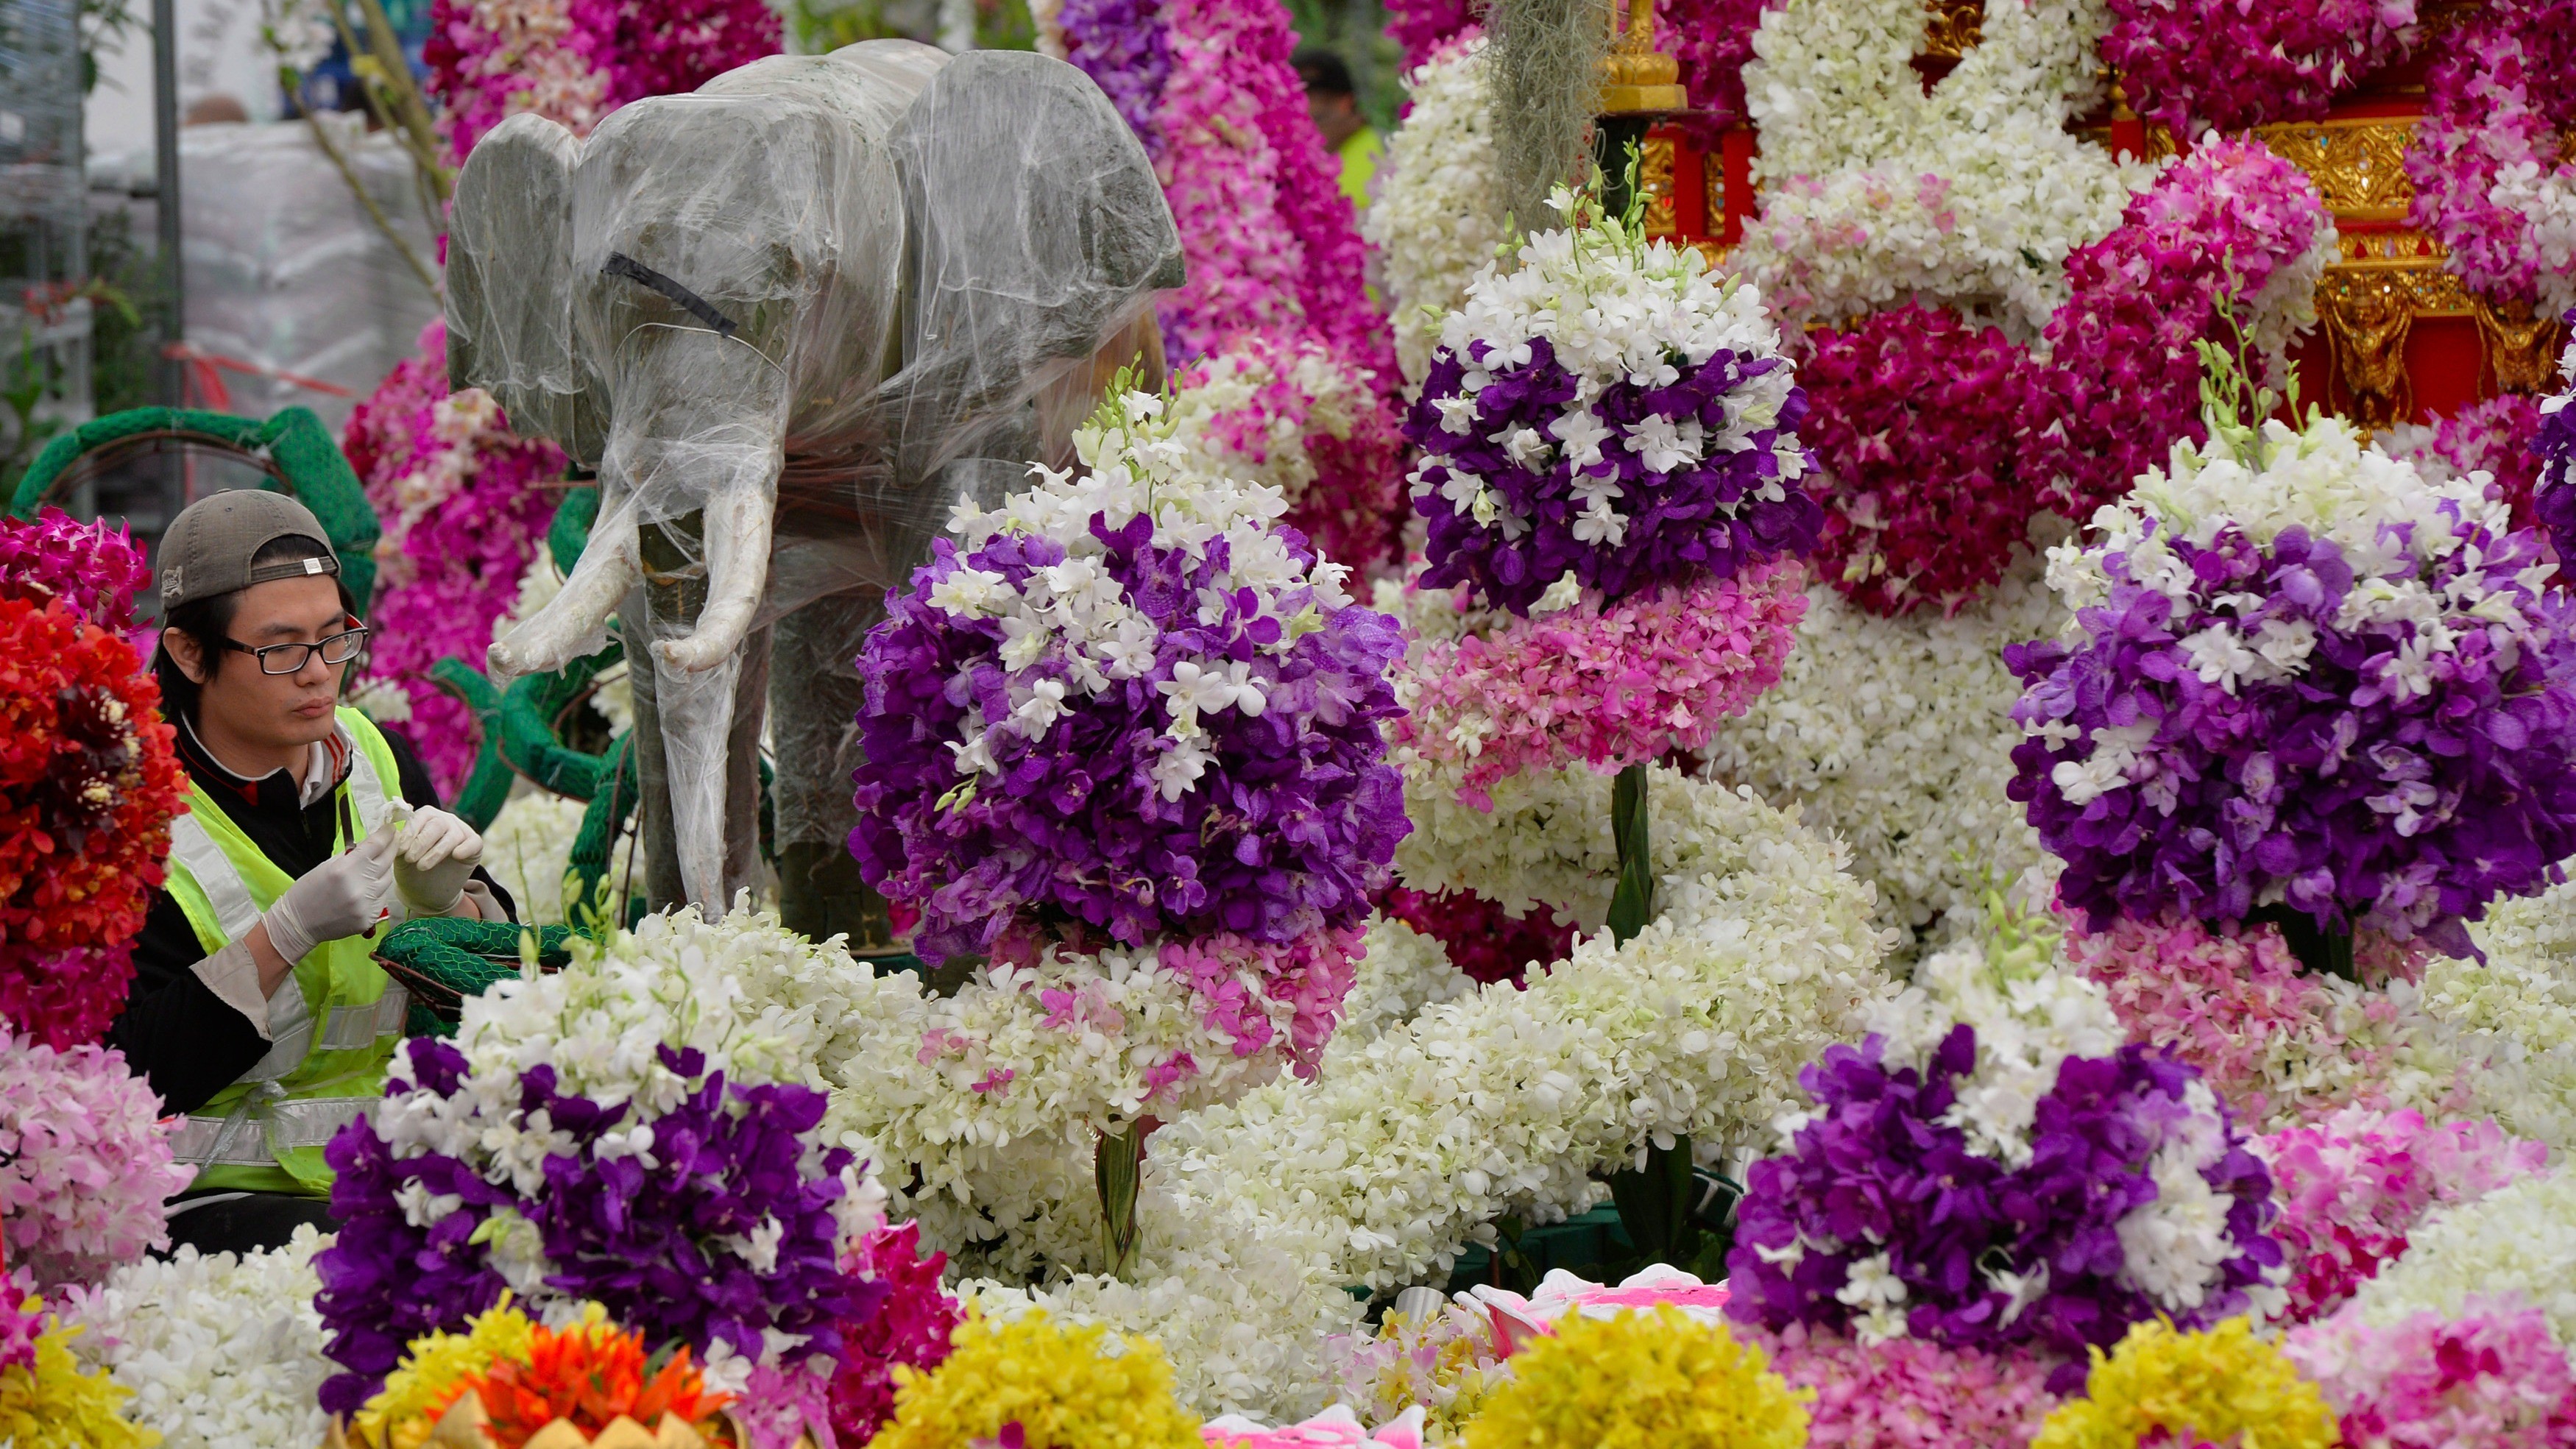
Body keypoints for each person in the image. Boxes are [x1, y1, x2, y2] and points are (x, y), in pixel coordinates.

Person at [108, 489, 514, 1255]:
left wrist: (454, 911)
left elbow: (504, 987)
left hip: (386, 1167)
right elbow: (132, 1072)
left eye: (336, 638)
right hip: (210, 1199)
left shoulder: (378, 756)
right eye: (281, 649)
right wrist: (282, 937)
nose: (319, 674)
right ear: (190, 653)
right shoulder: (129, 813)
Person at [1294, 48, 1382, 212]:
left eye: (1321, 100)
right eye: (1297, 102)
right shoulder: (1288, 156)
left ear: (1346, 103)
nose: (1306, 110)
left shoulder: (1386, 147)